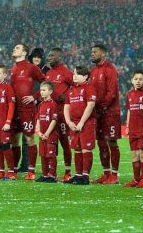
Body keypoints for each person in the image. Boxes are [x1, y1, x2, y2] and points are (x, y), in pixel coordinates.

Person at [9, 43, 45, 180]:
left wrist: (35, 97)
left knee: (29, 138)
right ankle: (13, 170)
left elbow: (45, 82)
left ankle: (31, 171)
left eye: (17, 48)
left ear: (24, 53)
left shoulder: (31, 68)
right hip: (15, 108)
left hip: (27, 109)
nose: (14, 49)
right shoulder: (13, 69)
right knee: (14, 140)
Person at [90, 44, 121, 185]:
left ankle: (114, 175)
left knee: (111, 141)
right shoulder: (93, 71)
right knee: (101, 143)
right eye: (92, 52)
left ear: (103, 54)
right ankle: (106, 173)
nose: (92, 54)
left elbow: (112, 92)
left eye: (95, 52)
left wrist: (102, 107)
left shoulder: (110, 69)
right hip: (98, 113)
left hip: (110, 113)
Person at [63, 66, 97, 185]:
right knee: (77, 149)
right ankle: (78, 175)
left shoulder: (89, 88)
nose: (74, 76)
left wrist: (82, 122)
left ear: (86, 76)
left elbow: (91, 105)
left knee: (85, 148)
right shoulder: (71, 90)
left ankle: (85, 176)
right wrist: (69, 122)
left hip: (87, 122)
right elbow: (66, 107)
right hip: (73, 123)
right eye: (74, 74)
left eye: (77, 74)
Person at [45, 47, 74, 181]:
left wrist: (66, 96)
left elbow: (76, 86)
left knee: (64, 142)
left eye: (52, 56)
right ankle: (52, 172)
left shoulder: (66, 72)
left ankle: (68, 172)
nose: (49, 57)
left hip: (62, 113)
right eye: (49, 56)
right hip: (50, 113)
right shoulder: (49, 73)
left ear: (59, 57)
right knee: (51, 142)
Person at [123, 70, 143, 188]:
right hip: (133, 129)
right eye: (136, 79)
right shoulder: (130, 94)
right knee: (134, 154)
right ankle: (136, 180)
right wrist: (127, 126)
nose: (138, 81)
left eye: (141, 79)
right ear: (132, 80)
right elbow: (129, 111)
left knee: (142, 154)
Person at [35, 81, 59, 182]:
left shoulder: (53, 104)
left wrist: (47, 133)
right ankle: (45, 175)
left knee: (50, 155)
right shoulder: (40, 105)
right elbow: (38, 119)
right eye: (41, 90)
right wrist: (38, 132)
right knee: (43, 154)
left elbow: (54, 120)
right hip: (42, 135)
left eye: (44, 90)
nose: (42, 92)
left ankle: (52, 175)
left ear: (50, 91)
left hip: (51, 135)